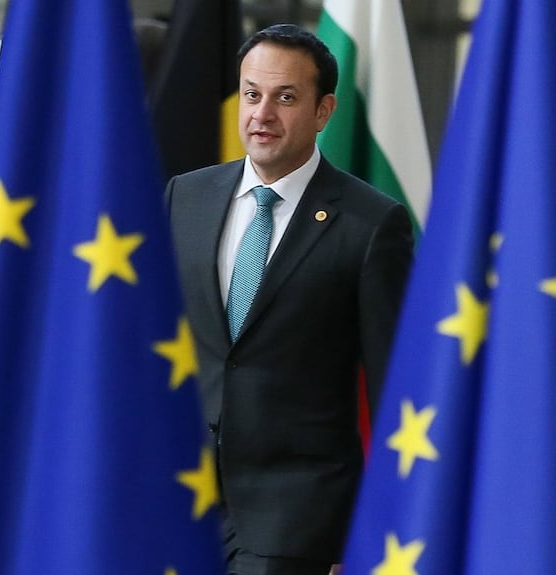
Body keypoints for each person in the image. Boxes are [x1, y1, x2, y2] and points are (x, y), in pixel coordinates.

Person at [165, 24, 413, 575]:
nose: (262, 114)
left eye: (285, 98)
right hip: (179, 495)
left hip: (294, 513)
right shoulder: (186, 196)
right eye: (252, 94)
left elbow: (395, 384)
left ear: (324, 111)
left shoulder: (373, 225)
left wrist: (385, 526)